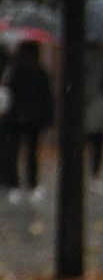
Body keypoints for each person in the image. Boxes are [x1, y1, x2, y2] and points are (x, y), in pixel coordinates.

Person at [1, 39, 54, 200]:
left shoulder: (14, 71)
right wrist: (48, 120)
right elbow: (47, 98)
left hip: (15, 118)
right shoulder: (40, 72)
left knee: (12, 151)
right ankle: (32, 184)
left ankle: (12, 183)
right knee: (32, 152)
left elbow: (9, 94)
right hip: (34, 119)